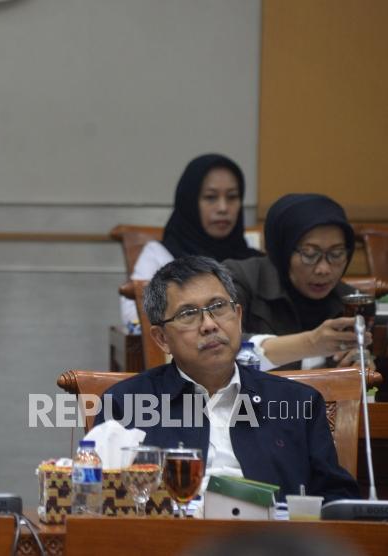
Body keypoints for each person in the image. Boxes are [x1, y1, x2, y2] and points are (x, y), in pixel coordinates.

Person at [96, 256, 359, 501]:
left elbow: (336, 498)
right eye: (188, 314)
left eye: (219, 307)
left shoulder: (298, 402)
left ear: (239, 316)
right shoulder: (125, 404)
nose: (209, 324)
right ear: (162, 338)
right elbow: (102, 499)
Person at [223, 193, 369, 371]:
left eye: (336, 254)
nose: (324, 269)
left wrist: (363, 371)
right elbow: (220, 348)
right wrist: (310, 344)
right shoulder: (239, 279)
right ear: (282, 249)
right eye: (309, 254)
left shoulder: (353, 303)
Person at [121, 154, 261, 326]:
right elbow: (134, 319)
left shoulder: (253, 261)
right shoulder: (160, 256)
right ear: (189, 202)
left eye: (232, 197)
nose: (223, 208)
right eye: (211, 197)